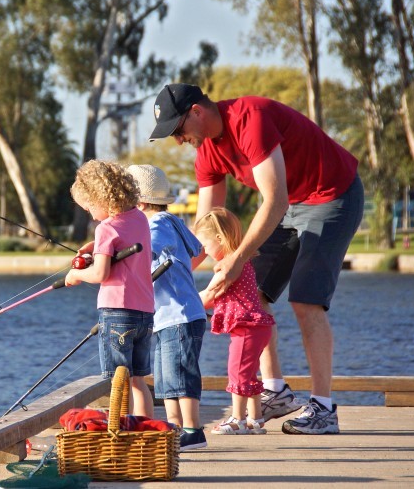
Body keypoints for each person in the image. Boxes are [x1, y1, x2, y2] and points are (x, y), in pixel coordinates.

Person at [149, 83, 364, 434]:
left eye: (177, 129)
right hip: (287, 205)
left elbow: (274, 200)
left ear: (197, 112)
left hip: (331, 196)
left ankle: (324, 409)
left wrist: (236, 260)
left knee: (306, 301)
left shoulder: (251, 119)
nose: (177, 140)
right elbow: (203, 234)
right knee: (253, 295)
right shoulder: (207, 153)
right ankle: (275, 392)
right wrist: (163, 272)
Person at [127, 164, 209, 450]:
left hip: (179, 314)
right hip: (168, 316)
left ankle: (193, 431)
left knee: (181, 374)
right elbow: (198, 249)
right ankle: (175, 428)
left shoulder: (158, 223)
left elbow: (145, 250)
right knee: (166, 378)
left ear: (140, 203)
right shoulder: (173, 221)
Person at [65, 159, 156, 418]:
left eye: (89, 206)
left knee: (118, 381)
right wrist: (96, 247)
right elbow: (124, 240)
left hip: (117, 313)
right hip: (144, 312)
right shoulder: (139, 218)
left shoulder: (105, 228)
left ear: (101, 197)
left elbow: (100, 273)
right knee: (138, 380)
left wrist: (76, 275)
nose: (90, 214)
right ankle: (145, 429)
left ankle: (119, 431)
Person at [194, 207, 275, 435]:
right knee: (248, 373)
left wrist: (184, 303)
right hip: (258, 327)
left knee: (237, 372)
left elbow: (209, 296)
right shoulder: (242, 262)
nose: (205, 251)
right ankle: (255, 419)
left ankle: (237, 419)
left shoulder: (227, 268)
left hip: (247, 328)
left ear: (219, 239)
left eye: (206, 245)